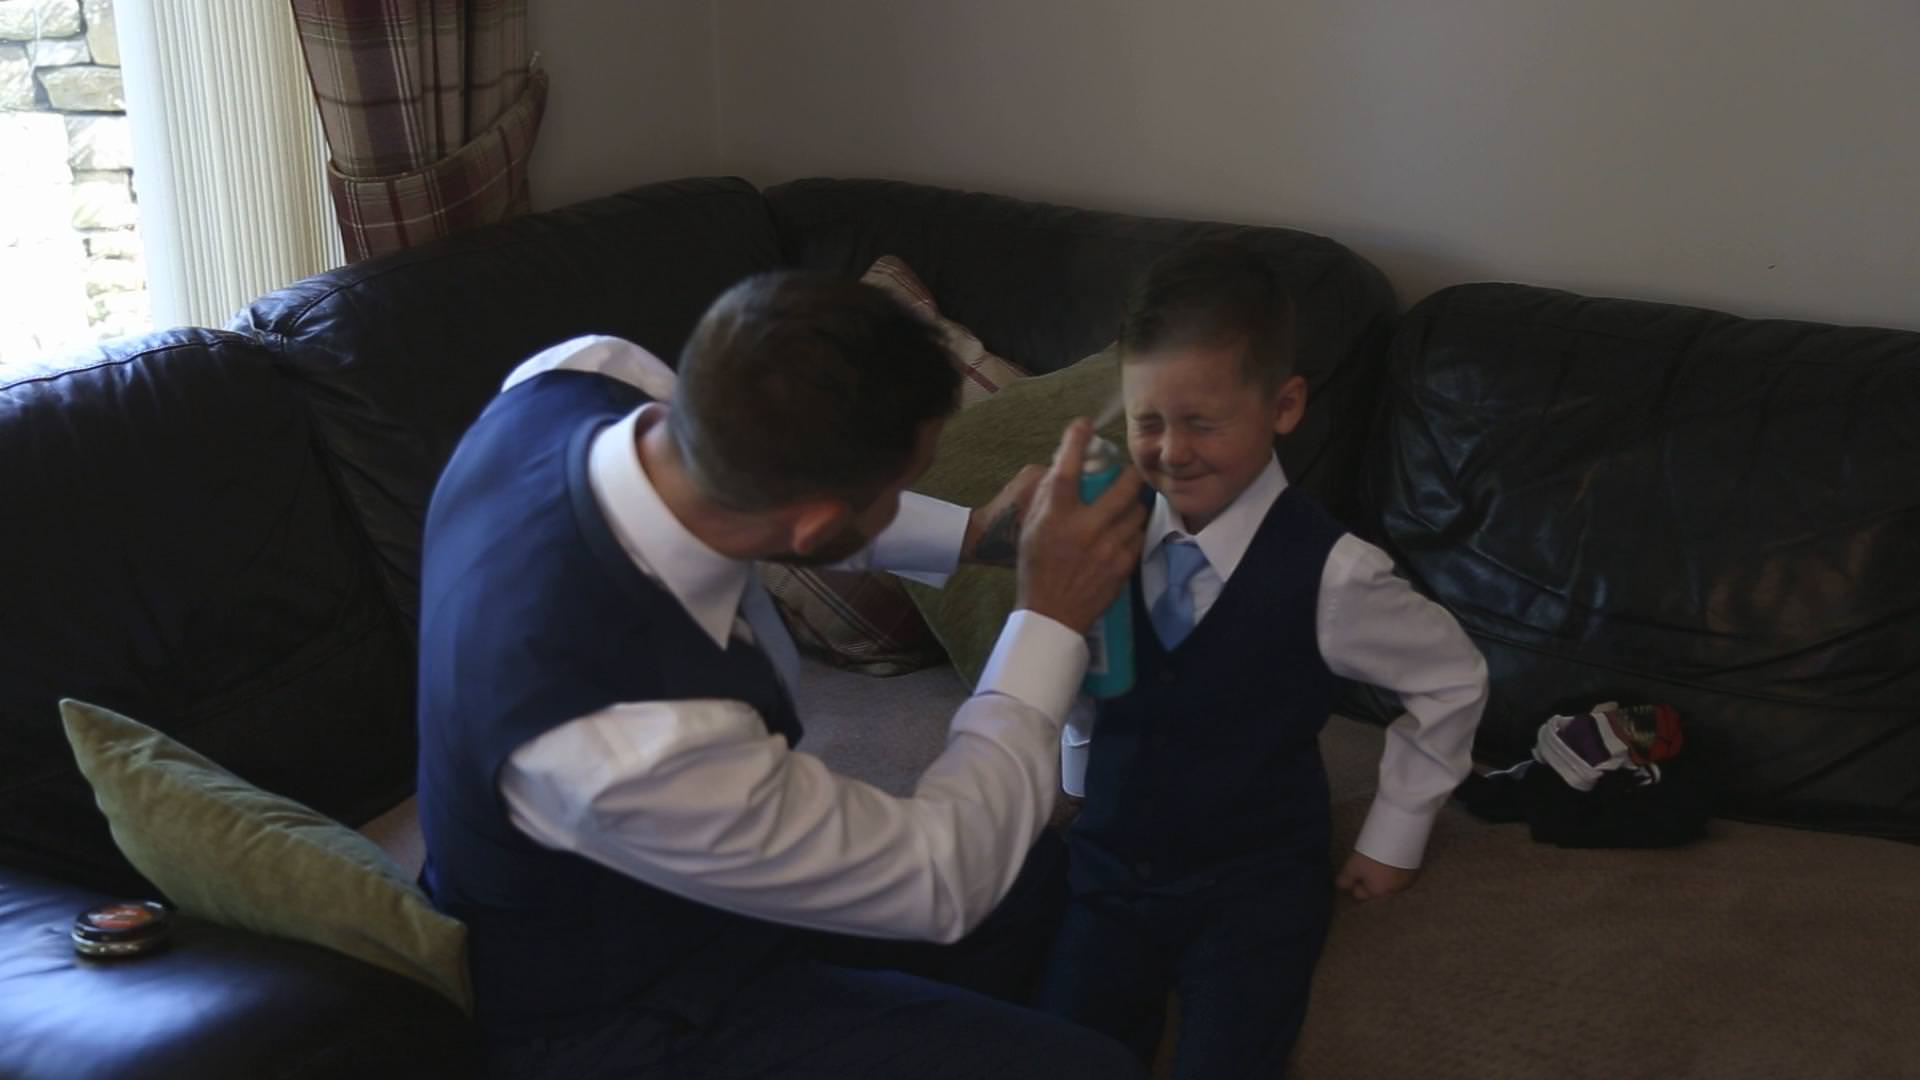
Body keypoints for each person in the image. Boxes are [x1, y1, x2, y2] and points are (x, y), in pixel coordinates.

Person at [412, 272, 1151, 1078]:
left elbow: (775, 487)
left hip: (680, 877)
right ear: (814, 524)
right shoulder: (625, 738)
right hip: (615, 1013)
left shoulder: (582, 377)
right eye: (899, 489)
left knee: (1029, 870)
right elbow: (942, 875)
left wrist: (972, 534)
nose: (906, 497)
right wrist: (1047, 616)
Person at [1036, 243, 1490, 1077]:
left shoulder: (1336, 572)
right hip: (1107, 866)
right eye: (1146, 421)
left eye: (1202, 422)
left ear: (1283, 406)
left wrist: (1396, 832)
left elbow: (1452, 675)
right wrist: (1076, 766)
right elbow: (1081, 649)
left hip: (1250, 887)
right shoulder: (1106, 523)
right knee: (1060, 1049)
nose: (1171, 451)